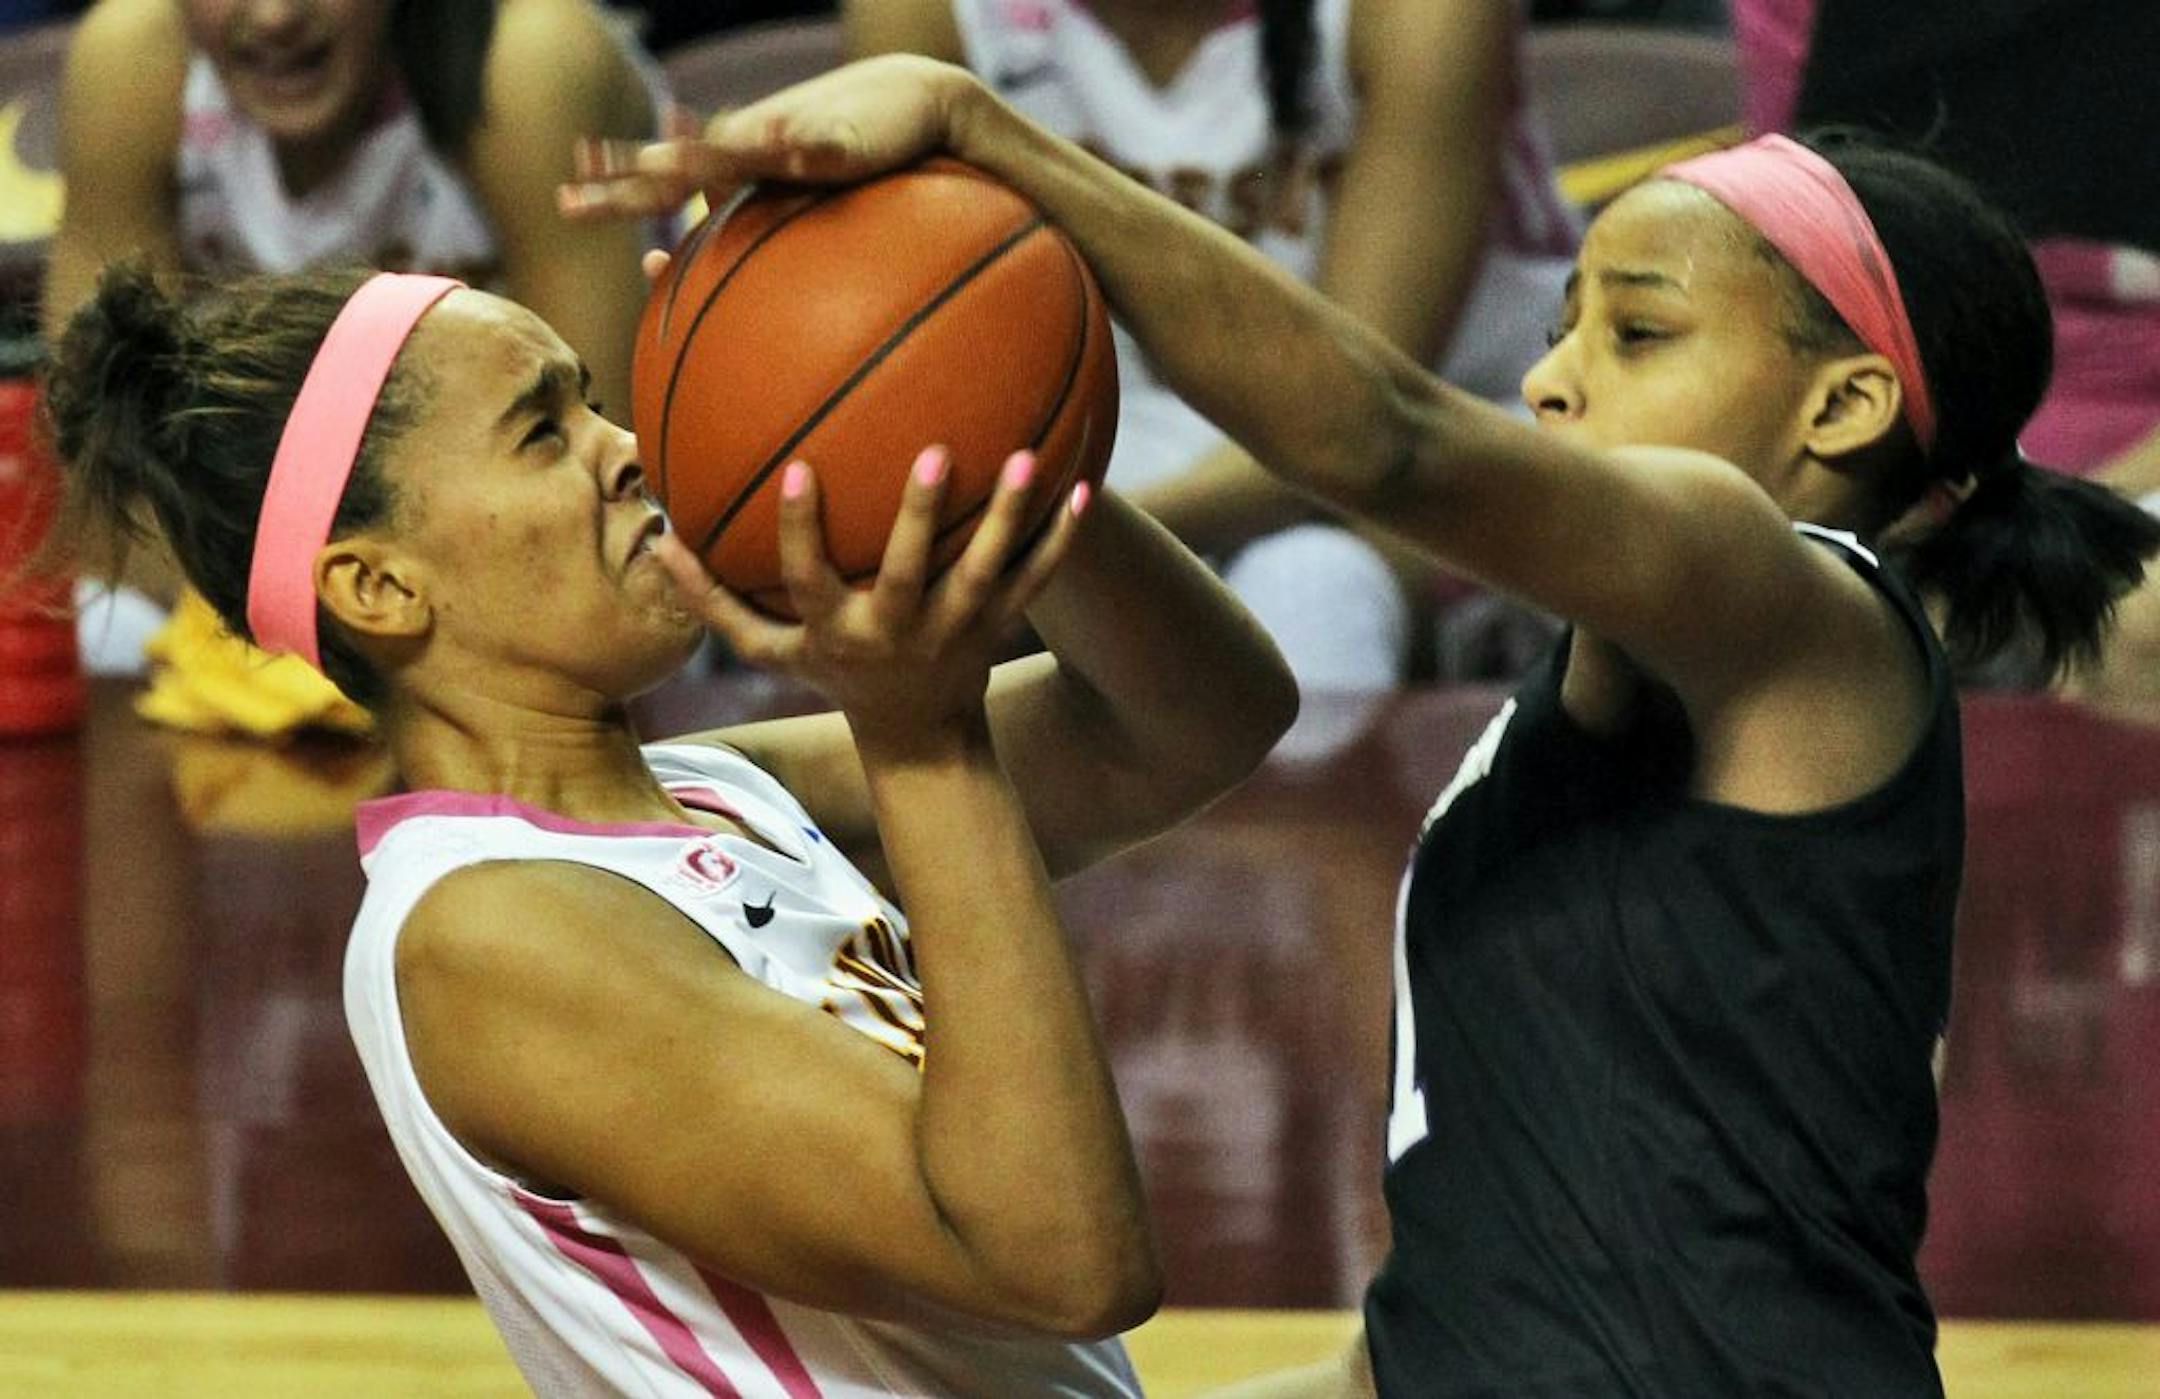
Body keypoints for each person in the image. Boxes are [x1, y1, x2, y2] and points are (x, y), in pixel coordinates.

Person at [563, 56, 2160, 1394]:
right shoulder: (1546, 748)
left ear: (1845, 409)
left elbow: (1388, 442)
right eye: (1562, 327)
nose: (1551, 382)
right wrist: (918, 400)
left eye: (1638, 332)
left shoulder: (1800, 608)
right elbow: (1444, 1342)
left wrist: (994, 149)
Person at [39, 259, 1298, 1392]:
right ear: (381, 586)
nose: (629, 446)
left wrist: (981, 431)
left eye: (591, 400)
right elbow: (1058, 1257)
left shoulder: (708, 793)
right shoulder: (489, 935)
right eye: (543, 430)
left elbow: (1195, 722)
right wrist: (925, 744)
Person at [848, 0, 1579, 696]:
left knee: (1308, 592)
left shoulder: (1420, 16)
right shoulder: (928, 14)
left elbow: (1347, 428)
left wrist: (1050, 544)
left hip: (1423, 456)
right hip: (1108, 447)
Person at [46, 0, 669, 675]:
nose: (277, 15)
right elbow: (108, 464)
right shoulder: (131, 58)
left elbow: (606, 469)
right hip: (279, 580)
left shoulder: (528, 59)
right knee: (112, 628)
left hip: (545, 570)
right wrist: (256, 661)